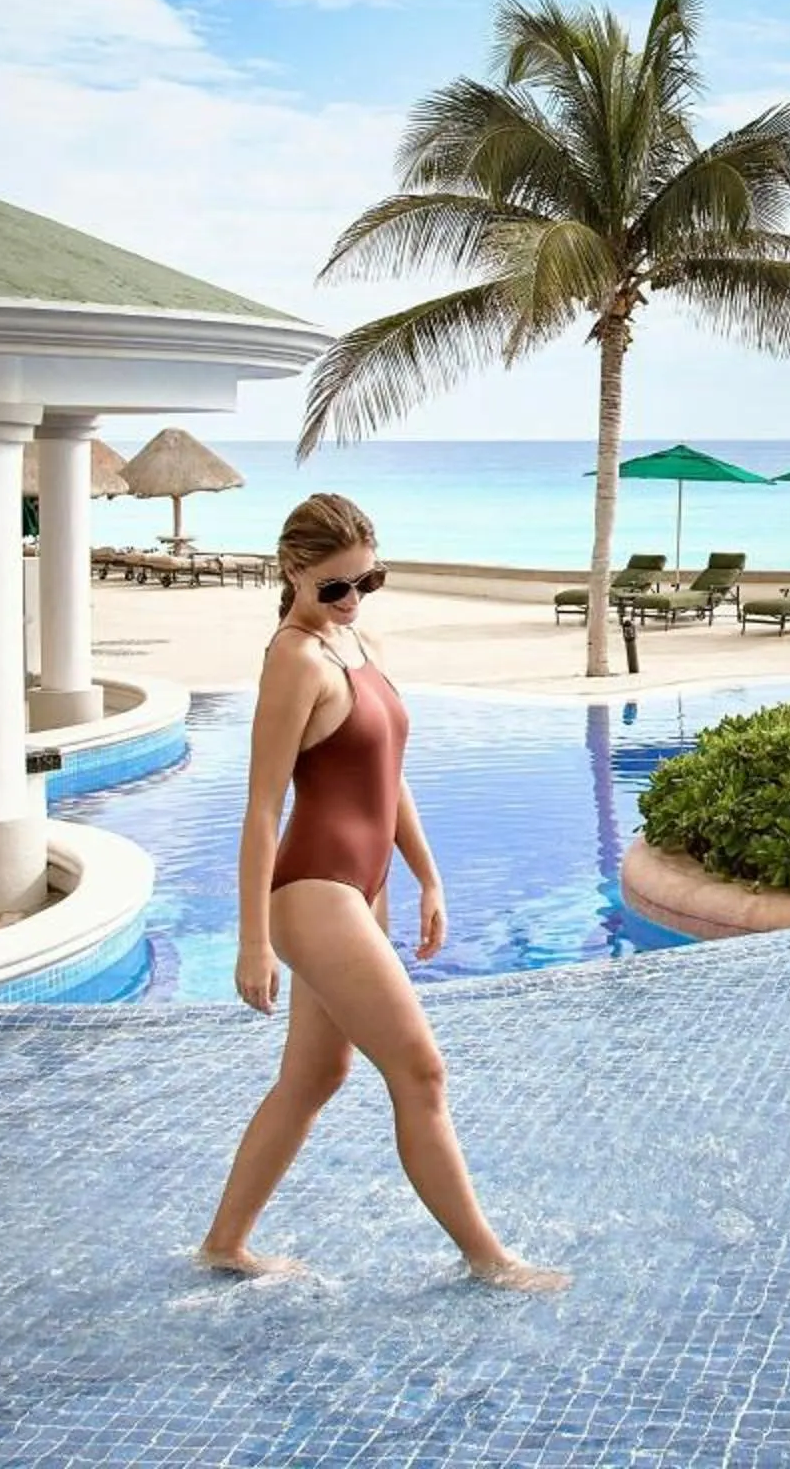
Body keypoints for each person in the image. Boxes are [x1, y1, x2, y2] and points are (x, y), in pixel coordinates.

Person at [197, 493, 564, 1290]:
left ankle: (224, 1243)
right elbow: (263, 808)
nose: (352, 599)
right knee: (421, 1072)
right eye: (334, 587)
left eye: (368, 580)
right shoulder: (293, 660)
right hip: (313, 891)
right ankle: (489, 1260)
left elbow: (388, 780)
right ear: (293, 573)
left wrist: (427, 874)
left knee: (312, 1079)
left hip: (362, 892)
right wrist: (253, 939)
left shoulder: (357, 642)